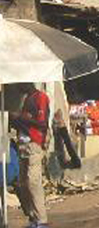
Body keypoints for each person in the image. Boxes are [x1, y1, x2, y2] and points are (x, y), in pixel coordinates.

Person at [10, 82, 50, 228]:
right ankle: (32, 216)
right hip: (23, 144)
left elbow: (42, 123)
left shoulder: (41, 97)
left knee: (33, 181)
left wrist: (20, 117)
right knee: (22, 183)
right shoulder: (27, 98)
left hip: (34, 143)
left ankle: (42, 219)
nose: (17, 88)